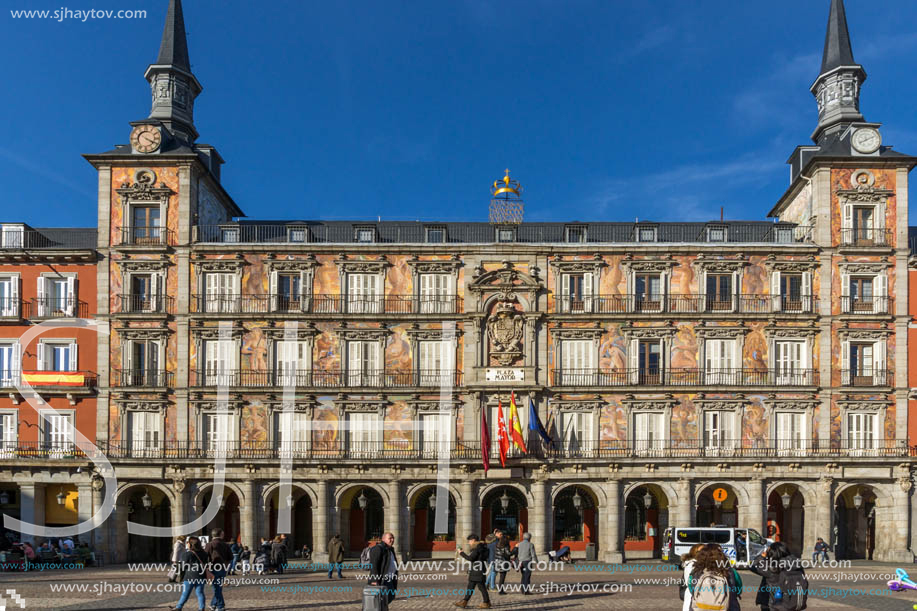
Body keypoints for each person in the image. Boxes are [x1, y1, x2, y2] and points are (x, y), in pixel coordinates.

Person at [751, 541, 808, 611]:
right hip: (791, 603)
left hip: (774, 605)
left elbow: (753, 566)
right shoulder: (797, 565)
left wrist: (762, 555)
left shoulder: (772, 567)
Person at [687, 543, 742, 611]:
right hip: (729, 607)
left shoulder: (696, 572)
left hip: (700, 608)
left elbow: (691, 589)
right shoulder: (731, 572)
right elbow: (739, 589)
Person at [170, 536, 208, 611]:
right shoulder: (204, 553)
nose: (186, 544)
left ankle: (179, 607)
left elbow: (183, 566)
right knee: (200, 593)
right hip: (201, 576)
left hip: (189, 576)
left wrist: (181, 576)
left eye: (187, 542)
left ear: (190, 544)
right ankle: (201, 608)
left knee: (185, 593)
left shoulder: (187, 554)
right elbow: (206, 563)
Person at [453, 533, 491, 609]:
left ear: (473, 540)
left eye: (469, 541)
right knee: (471, 586)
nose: (469, 543)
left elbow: (470, 558)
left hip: (477, 570)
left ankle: (486, 602)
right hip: (478, 569)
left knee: (481, 587)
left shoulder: (477, 548)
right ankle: (464, 601)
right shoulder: (483, 547)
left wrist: (461, 552)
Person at [204, 528, 233, 611]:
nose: (223, 535)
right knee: (218, 588)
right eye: (222, 534)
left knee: (216, 588)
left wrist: (206, 568)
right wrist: (226, 566)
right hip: (223, 569)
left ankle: (220, 606)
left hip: (213, 568)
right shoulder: (226, 545)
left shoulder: (209, 544)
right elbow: (230, 557)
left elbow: (205, 557)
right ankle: (213, 604)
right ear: (220, 535)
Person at [368, 532, 399, 606]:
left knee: (390, 596)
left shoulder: (390, 549)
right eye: (390, 538)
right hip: (382, 579)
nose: (392, 540)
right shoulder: (378, 549)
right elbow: (374, 565)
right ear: (384, 539)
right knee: (380, 599)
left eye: (393, 538)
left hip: (390, 578)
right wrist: (374, 580)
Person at [680, 543, 704, 611]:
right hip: (692, 597)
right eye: (700, 551)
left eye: (705, 550)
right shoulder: (691, 564)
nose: (703, 553)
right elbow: (691, 583)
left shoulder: (700, 563)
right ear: (694, 553)